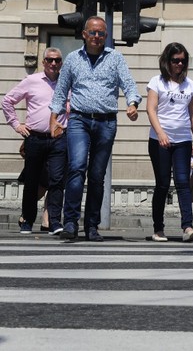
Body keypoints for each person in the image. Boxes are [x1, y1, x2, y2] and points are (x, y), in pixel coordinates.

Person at [49, 17, 141, 242]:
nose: (97, 37)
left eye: (101, 33)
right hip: (79, 120)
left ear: (106, 36)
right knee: (77, 168)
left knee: (97, 176)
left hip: (106, 122)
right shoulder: (72, 59)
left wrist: (132, 104)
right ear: (84, 34)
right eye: (93, 33)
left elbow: (128, 84)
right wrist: (54, 119)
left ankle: (92, 225)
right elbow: (61, 91)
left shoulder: (115, 58)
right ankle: (70, 222)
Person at [2, 47, 68, 235]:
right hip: (35, 138)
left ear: (61, 63)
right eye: (49, 60)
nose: (53, 63)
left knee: (56, 181)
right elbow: (7, 101)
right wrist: (16, 125)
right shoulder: (31, 81)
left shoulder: (67, 82)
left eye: (57, 60)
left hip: (58, 139)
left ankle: (54, 221)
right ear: (43, 62)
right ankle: (27, 220)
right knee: (32, 181)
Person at [146, 43, 193, 242]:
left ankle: (187, 227)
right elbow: (151, 109)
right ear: (167, 61)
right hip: (159, 141)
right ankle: (158, 229)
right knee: (162, 184)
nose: (179, 64)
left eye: (183, 60)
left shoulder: (190, 85)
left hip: (183, 141)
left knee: (183, 183)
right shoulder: (157, 82)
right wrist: (160, 132)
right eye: (175, 60)